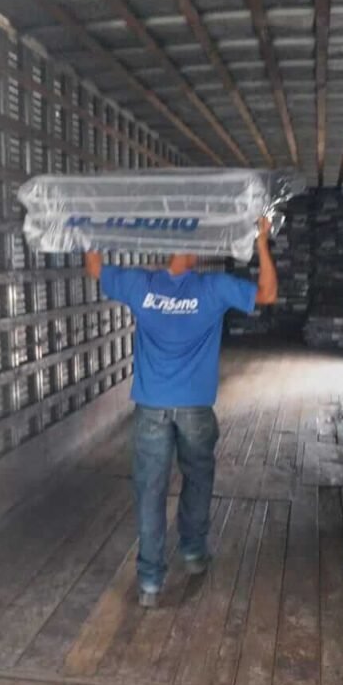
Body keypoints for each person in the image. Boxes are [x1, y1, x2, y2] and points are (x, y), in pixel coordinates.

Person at [85, 218, 278, 607]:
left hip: (151, 407)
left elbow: (95, 268)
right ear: (193, 253)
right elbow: (268, 293)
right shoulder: (212, 288)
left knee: (150, 489)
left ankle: (150, 582)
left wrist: (92, 229)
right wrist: (262, 241)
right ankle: (192, 552)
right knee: (198, 477)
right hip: (195, 407)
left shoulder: (141, 285)